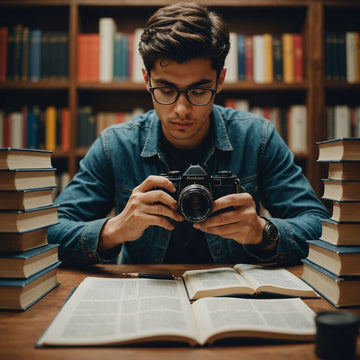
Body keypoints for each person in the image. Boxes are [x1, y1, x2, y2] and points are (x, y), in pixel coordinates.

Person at [48, 2, 329, 266]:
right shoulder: (116, 145)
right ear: (147, 80)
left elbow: (320, 227)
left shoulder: (257, 138)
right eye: (166, 90)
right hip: (143, 296)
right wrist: (116, 229)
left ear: (220, 81)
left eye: (198, 91)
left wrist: (262, 231)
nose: (182, 109)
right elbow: (50, 233)